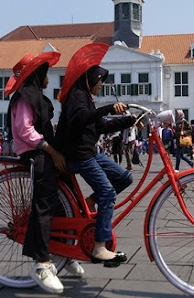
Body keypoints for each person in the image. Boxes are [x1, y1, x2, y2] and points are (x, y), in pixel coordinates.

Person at [5, 51, 82, 294]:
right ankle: (41, 262)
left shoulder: (35, 95)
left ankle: (63, 246)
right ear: (38, 75)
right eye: (46, 73)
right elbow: (26, 131)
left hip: (43, 150)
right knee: (45, 200)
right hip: (34, 154)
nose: (49, 77)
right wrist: (51, 150)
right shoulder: (25, 97)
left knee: (68, 186)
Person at [57, 42, 136, 269]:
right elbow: (83, 118)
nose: (101, 85)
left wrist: (128, 120)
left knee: (125, 178)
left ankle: (90, 203)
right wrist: (110, 107)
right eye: (99, 81)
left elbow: (99, 124)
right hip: (79, 155)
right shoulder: (76, 97)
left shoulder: (86, 98)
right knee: (108, 192)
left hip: (90, 152)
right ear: (91, 80)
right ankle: (99, 247)